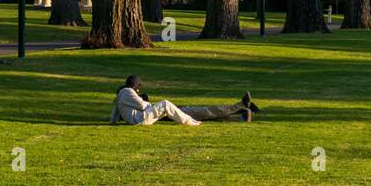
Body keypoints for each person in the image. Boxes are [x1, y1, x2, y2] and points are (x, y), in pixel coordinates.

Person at [109, 75, 260, 126]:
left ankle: (241, 113)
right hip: (162, 116)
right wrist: (148, 103)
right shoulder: (127, 93)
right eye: (138, 90)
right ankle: (239, 108)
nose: (139, 92)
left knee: (205, 113)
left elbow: (113, 117)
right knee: (204, 112)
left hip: (161, 116)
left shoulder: (122, 101)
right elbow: (142, 105)